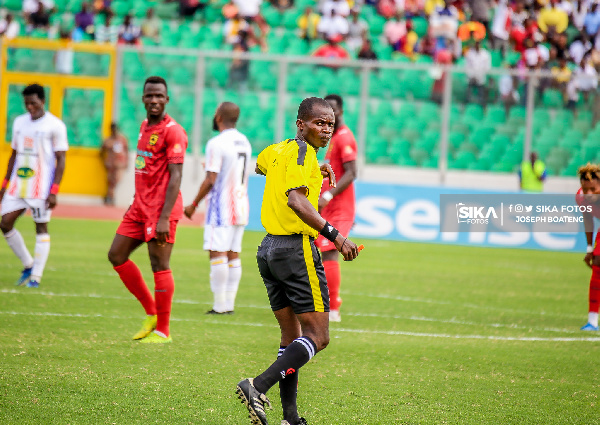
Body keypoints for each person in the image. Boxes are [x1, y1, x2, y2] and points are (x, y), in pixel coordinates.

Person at [235, 97, 360, 425]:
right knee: (319, 336)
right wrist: (337, 236)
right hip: (295, 250)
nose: (326, 130)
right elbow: (296, 201)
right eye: (319, 123)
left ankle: (289, 417)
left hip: (268, 250)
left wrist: (310, 169)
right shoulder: (304, 153)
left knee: (290, 338)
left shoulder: (280, 150)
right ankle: (257, 385)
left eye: (330, 124)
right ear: (300, 124)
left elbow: (263, 166)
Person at [107, 76, 188, 344]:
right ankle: (151, 313)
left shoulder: (173, 131)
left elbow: (176, 176)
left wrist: (164, 217)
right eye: (149, 96)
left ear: (167, 100)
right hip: (139, 206)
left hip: (160, 210)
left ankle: (163, 331)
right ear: (143, 99)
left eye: (159, 96)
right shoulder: (144, 126)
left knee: (159, 264)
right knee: (116, 255)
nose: (154, 100)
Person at [184, 102, 252, 315]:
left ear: (219, 117)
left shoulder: (216, 143)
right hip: (241, 203)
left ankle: (219, 305)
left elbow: (211, 179)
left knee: (217, 253)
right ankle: (229, 304)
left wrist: (193, 204)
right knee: (233, 254)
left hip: (222, 206)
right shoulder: (244, 141)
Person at [0, 84, 68, 288]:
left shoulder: (55, 125)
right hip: (19, 184)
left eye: (34, 103)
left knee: (41, 227)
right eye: (27, 103)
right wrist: (4, 184)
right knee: (5, 223)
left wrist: (54, 190)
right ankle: (28, 264)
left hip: (41, 187)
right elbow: (13, 154)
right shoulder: (19, 122)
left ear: (43, 101)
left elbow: (61, 159)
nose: (30, 107)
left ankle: (36, 276)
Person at [314, 94, 358, 323]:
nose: (329, 115)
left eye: (332, 111)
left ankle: (333, 308)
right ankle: (320, 303)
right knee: (320, 251)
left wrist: (329, 194)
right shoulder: (331, 137)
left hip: (338, 206)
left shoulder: (344, 137)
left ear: (340, 112)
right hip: (329, 207)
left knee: (330, 250)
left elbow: (352, 172)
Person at [575, 163, 600, 331]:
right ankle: (592, 321)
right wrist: (590, 249)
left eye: (593, 189)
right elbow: (588, 220)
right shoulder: (580, 197)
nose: (589, 194)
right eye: (586, 190)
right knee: (597, 265)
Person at [100, 122, 129, 206]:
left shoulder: (122, 139)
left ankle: (109, 196)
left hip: (119, 164)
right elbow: (102, 151)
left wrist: (127, 162)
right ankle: (110, 197)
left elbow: (126, 150)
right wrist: (104, 161)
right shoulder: (108, 140)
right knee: (110, 181)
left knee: (117, 179)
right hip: (110, 164)